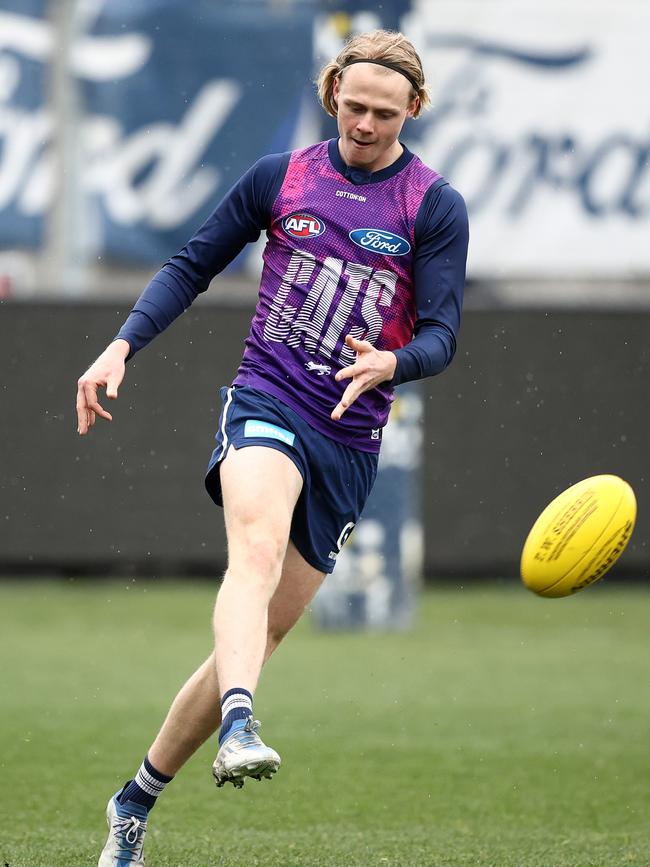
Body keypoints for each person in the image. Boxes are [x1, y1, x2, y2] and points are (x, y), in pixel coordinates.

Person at [77, 28, 469, 866]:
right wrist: (121, 345)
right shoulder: (280, 177)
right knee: (251, 554)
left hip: (351, 440)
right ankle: (243, 721)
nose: (365, 124)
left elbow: (442, 334)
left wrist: (395, 361)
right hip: (266, 400)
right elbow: (190, 264)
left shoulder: (432, 206)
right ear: (334, 93)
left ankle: (133, 798)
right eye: (354, 105)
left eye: (385, 113)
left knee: (259, 630)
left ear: (414, 110)